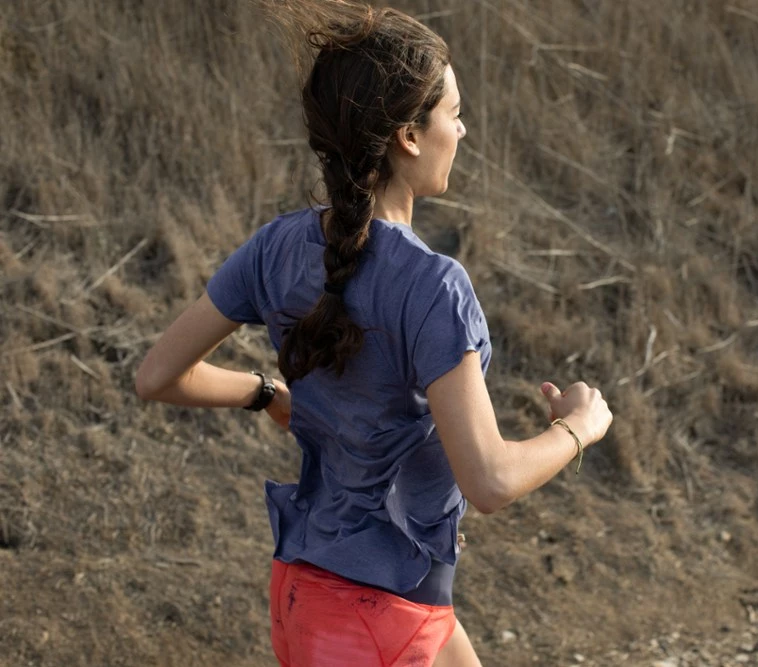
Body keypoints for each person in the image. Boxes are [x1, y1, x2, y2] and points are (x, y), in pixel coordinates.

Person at [135, 4, 613, 666]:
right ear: (409, 137)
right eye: (454, 113)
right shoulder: (433, 285)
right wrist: (579, 428)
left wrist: (265, 392)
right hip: (379, 622)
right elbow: (491, 480)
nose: (464, 129)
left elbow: (156, 375)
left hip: (313, 599)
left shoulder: (275, 247)